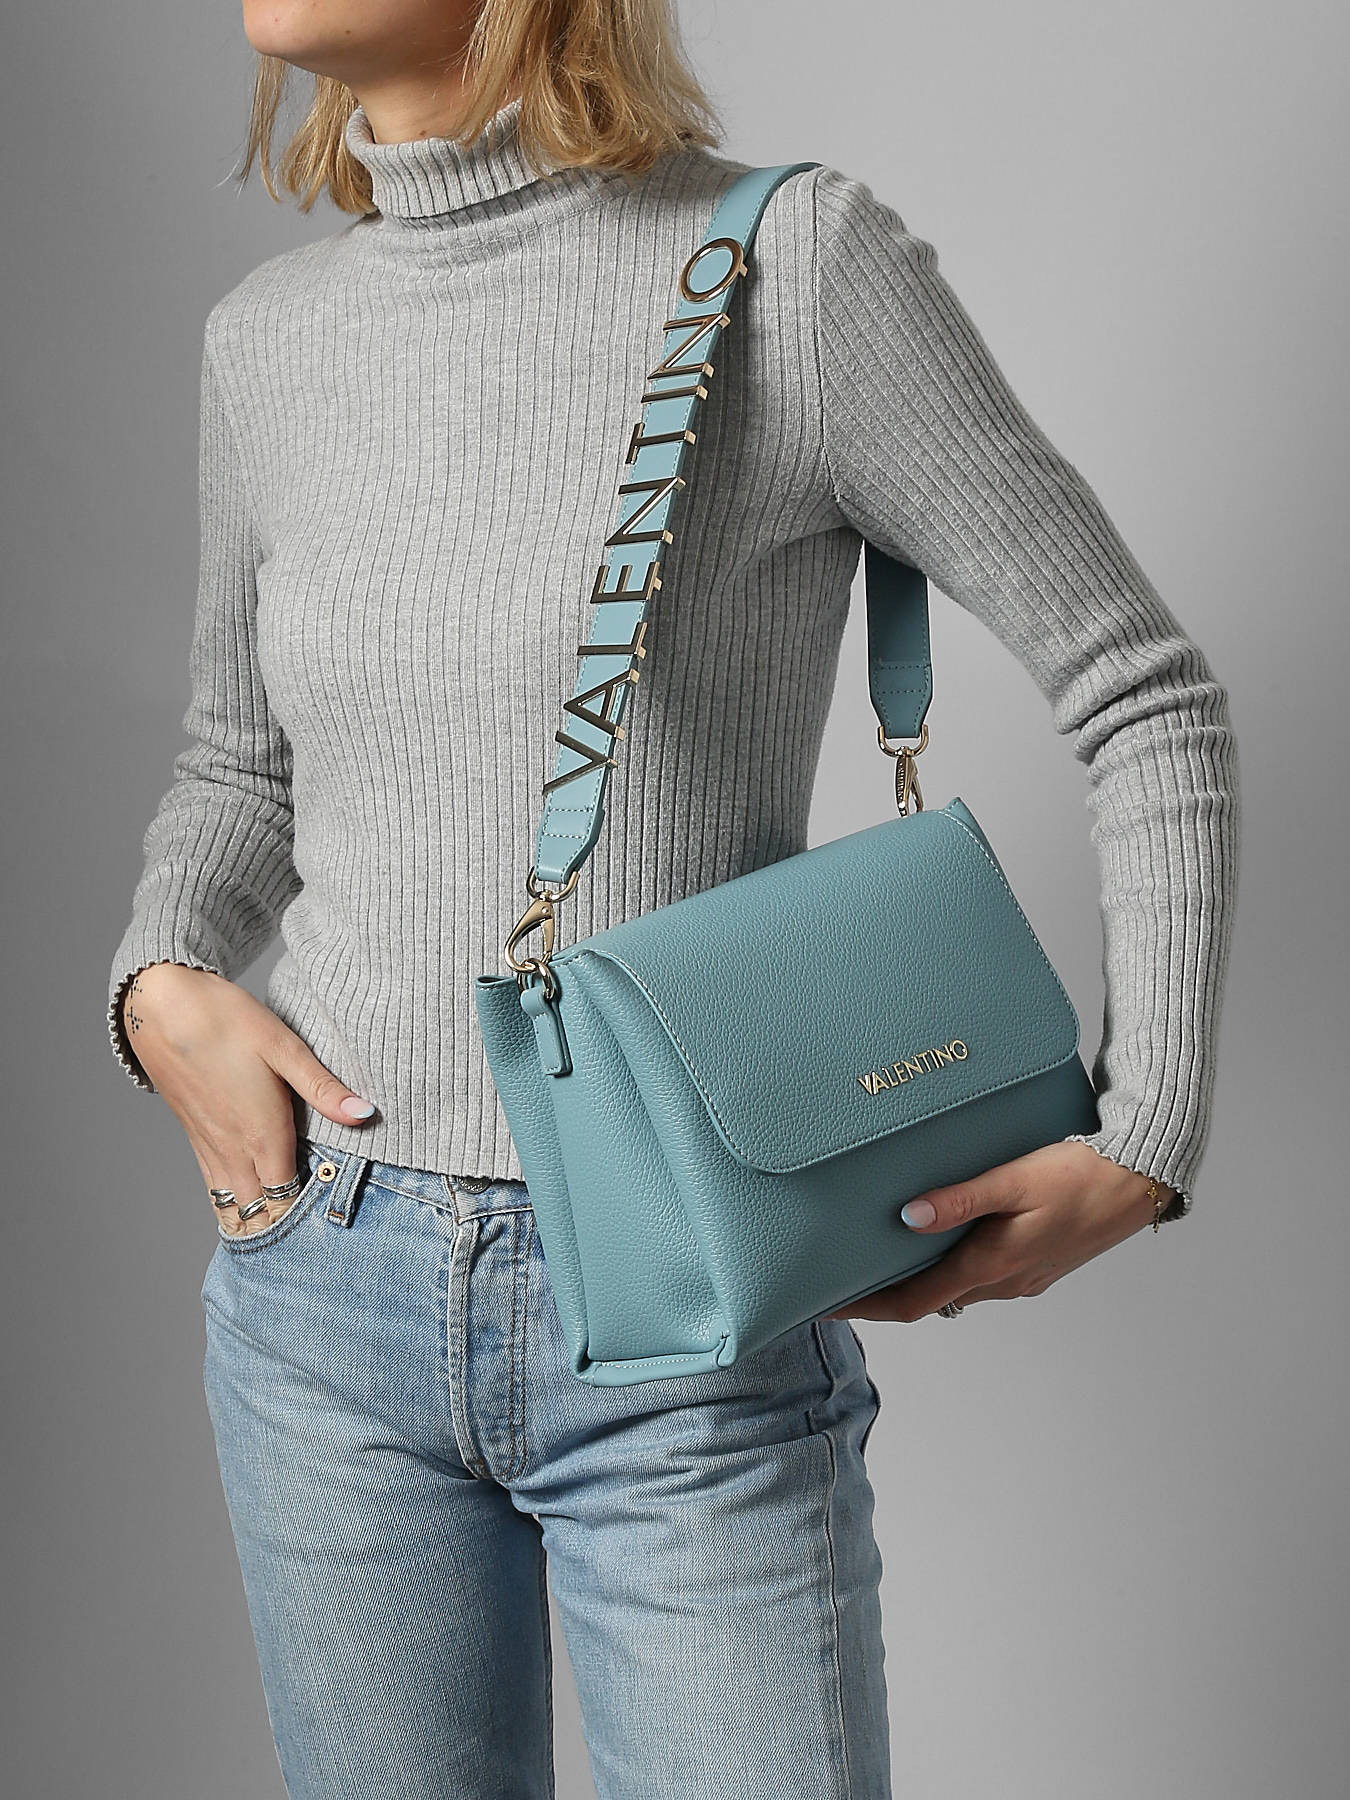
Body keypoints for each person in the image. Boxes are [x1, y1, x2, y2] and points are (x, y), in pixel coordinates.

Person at [105, 1, 1240, 1794]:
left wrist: (1149, 1123)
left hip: (686, 1301)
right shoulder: (269, 339)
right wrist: (157, 979)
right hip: (317, 1294)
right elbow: (238, 765)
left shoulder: (793, 265)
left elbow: (1140, 689)